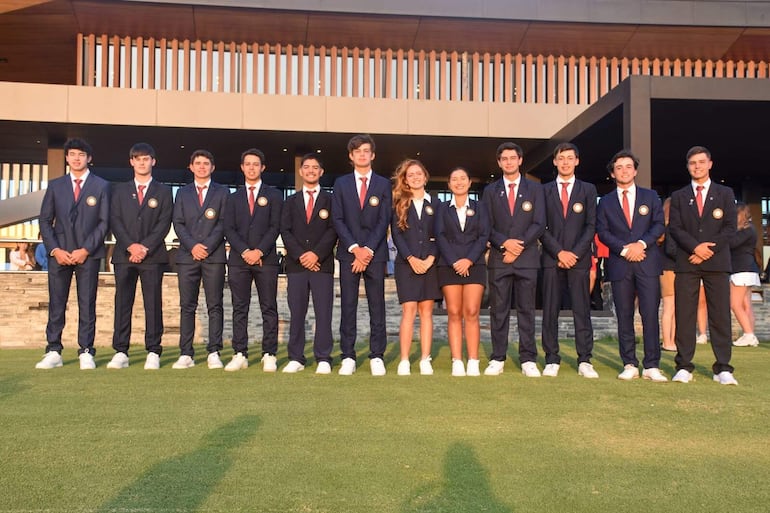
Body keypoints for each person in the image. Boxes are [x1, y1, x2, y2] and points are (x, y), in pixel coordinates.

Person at [36, 138, 110, 370]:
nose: (77, 158)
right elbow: (45, 220)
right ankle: (53, 350)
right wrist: (55, 249)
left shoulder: (101, 185)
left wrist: (86, 249)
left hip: (88, 255)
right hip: (60, 254)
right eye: (73, 154)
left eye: (81, 154)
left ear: (89, 158)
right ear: (67, 158)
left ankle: (86, 350)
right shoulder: (56, 185)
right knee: (56, 303)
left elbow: (104, 222)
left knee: (87, 303)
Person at [596, 149, 667, 382]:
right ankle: (629, 363)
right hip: (620, 263)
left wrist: (640, 244)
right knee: (624, 315)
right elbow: (602, 231)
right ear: (612, 173)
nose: (624, 171)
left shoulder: (651, 196)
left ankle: (652, 364)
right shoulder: (605, 202)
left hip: (647, 261)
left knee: (650, 314)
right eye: (619, 168)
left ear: (635, 171)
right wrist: (625, 249)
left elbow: (658, 225)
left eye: (628, 167)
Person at [669, 146, 738, 385]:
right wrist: (695, 248)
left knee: (720, 316)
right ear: (688, 166)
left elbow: (730, 227)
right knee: (685, 315)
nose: (697, 166)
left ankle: (723, 368)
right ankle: (684, 365)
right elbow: (675, 228)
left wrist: (708, 250)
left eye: (701, 162)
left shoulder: (725, 193)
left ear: (710, 164)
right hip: (688, 262)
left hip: (716, 262)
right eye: (692, 163)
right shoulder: (679, 196)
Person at [106, 143, 173, 370]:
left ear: (153, 161)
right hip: (124, 256)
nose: (142, 163)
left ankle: (153, 350)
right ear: (131, 162)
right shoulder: (119, 190)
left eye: (146, 159)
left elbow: (164, 223)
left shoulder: (164, 191)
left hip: (152, 257)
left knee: (153, 304)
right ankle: (120, 350)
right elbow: (115, 220)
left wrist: (144, 247)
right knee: (122, 303)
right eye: (138, 159)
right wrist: (131, 246)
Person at [481, 142, 545, 377]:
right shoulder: (490, 191)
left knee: (527, 310)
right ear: (499, 163)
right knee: (499, 310)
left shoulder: (535, 189)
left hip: (526, 258)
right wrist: (504, 243)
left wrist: (518, 246)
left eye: (512, 158)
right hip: (500, 259)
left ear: (520, 160)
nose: (509, 162)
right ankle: (498, 357)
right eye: (504, 159)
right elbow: (486, 225)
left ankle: (528, 358)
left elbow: (539, 223)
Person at [332, 134, 392, 376]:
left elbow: (384, 220)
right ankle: (348, 355)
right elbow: (337, 219)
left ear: (373, 155)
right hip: (349, 254)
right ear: (351, 156)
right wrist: (355, 249)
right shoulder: (341, 184)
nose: (362, 155)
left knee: (377, 306)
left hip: (374, 254)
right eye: (358, 151)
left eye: (366, 151)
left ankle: (377, 355)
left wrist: (367, 250)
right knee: (348, 306)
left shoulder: (383, 184)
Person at [540, 143, 599, 378]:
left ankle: (585, 359)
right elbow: (541, 226)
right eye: (561, 158)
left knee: (581, 310)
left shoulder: (588, 190)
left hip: (579, 260)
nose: (565, 162)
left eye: (569, 158)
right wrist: (559, 252)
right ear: (555, 162)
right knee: (550, 311)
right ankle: (551, 358)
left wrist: (574, 253)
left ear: (577, 161)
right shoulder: (544, 190)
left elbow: (591, 225)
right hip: (552, 259)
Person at [222, 148, 283, 372]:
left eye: (256, 164)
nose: (251, 168)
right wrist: (245, 251)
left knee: (269, 307)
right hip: (239, 260)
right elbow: (228, 228)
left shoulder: (274, 195)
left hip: (265, 260)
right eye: (247, 164)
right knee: (240, 308)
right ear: (242, 167)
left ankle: (269, 353)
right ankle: (240, 353)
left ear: (262, 167)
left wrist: (259, 251)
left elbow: (275, 226)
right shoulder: (233, 197)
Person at [280, 154, 337, 374]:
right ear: (301, 171)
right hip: (297, 266)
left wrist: (316, 255)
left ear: (321, 172)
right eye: (307, 167)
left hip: (322, 266)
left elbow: (333, 229)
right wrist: (302, 255)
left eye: (315, 167)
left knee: (323, 313)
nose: (311, 170)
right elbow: (285, 230)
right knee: (297, 313)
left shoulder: (331, 200)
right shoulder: (290, 201)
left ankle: (323, 357)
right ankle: (296, 357)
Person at [171, 149, 229, 369]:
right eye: (198, 163)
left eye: (206, 163)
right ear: (191, 167)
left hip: (213, 256)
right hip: (188, 256)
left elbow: (223, 222)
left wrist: (207, 246)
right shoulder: (182, 193)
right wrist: (193, 246)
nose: (202, 167)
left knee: (214, 305)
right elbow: (178, 223)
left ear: (212, 167)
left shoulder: (222, 192)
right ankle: (186, 352)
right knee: (187, 305)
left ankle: (214, 351)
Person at [436, 167, 489, 376]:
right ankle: (457, 360)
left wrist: (468, 260)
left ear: (469, 182)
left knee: (472, 311)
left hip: (474, 264)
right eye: (454, 179)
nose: (459, 182)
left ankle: (473, 360)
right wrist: (454, 261)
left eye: (463, 179)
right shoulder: (442, 208)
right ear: (449, 184)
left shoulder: (480, 207)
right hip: (449, 265)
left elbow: (484, 235)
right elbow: (439, 235)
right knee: (454, 312)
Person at [391, 159, 441, 376]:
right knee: (409, 311)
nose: (415, 177)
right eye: (410, 174)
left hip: (430, 265)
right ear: (405, 179)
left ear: (425, 176)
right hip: (406, 265)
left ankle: (425, 359)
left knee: (426, 312)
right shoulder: (398, 203)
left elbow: (440, 234)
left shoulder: (437, 204)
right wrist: (410, 258)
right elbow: (396, 234)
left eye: (418, 173)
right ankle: (404, 360)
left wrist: (430, 259)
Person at [729, 202, 760, 347]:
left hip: (742, 269)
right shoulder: (749, 229)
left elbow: (732, 243)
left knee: (735, 304)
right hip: (746, 269)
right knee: (746, 305)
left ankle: (749, 334)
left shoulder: (747, 230)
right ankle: (750, 334)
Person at [659, 198, 678, 352]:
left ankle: (671, 340)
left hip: (669, 268)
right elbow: (671, 250)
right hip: (669, 269)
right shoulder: (670, 227)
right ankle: (667, 341)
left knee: (673, 307)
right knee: (670, 306)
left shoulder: (663, 227)